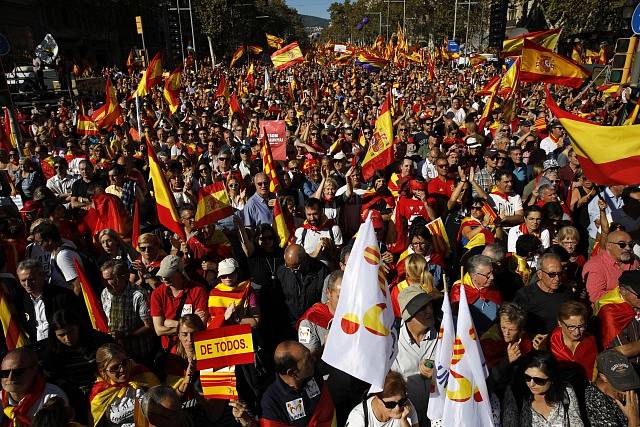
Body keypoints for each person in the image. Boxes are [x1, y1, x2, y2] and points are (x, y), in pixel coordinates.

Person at [39, 310, 113, 424]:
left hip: (103, 394)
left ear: (78, 326)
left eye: (71, 331)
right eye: (61, 335)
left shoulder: (99, 341)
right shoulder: (50, 353)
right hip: (71, 399)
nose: (67, 338)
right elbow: (52, 379)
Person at [391, 287, 438, 426]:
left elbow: (458, 370)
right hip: (406, 419)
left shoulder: (444, 333)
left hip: (437, 417)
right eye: (422, 308)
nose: (429, 311)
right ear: (408, 315)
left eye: (430, 305)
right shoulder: (392, 340)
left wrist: (438, 372)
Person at [501, 350, 583, 427]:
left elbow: (576, 423)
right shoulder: (515, 394)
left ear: (552, 379)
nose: (531, 384)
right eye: (527, 377)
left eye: (539, 380)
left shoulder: (565, 391)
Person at [13, 259, 83, 345]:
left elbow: (77, 324)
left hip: (61, 347)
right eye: (23, 280)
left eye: (31, 279)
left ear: (42, 275)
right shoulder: (20, 300)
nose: (27, 284)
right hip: (36, 348)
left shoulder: (63, 296)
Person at [89, 343, 160, 427]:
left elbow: (162, 405)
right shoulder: (100, 393)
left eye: (124, 362)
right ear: (103, 372)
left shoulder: (142, 375)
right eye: (115, 368)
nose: (122, 369)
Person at [99, 260, 155, 365]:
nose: (105, 283)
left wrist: (124, 335)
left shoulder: (138, 295)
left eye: (109, 279)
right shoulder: (105, 293)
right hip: (116, 354)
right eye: (103, 279)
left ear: (124, 277)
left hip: (139, 354)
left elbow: (149, 326)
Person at [260, 341, 327, 426]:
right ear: (292, 373)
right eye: (308, 359)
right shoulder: (271, 402)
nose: (313, 359)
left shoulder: (313, 374)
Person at [150, 255, 208, 350]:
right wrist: (187, 326)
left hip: (193, 345)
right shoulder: (157, 294)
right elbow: (159, 330)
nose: (164, 278)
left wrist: (169, 323)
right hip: (170, 348)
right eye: (162, 275)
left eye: (169, 274)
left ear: (180, 272)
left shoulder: (198, 290)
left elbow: (200, 325)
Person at [0, 347, 69, 426]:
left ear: (34, 370)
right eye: (5, 373)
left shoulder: (52, 397)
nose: (10, 378)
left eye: (18, 372)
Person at [480, 303, 534, 397]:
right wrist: (507, 361)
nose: (506, 333)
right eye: (503, 327)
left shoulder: (524, 339)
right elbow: (489, 379)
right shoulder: (488, 342)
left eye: (512, 329)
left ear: (520, 329)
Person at [515, 253, 574, 337]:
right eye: (552, 274)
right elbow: (516, 325)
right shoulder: (525, 295)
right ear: (539, 274)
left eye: (560, 274)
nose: (557, 278)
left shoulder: (566, 292)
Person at [275, 244, 329, 328]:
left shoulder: (321, 271)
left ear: (304, 260)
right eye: (288, 266)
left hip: (313, 323)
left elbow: (325, 301)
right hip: (290, 324)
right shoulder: (282, 271)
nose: (292, 270)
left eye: (295, 268)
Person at [595, 270, 640, 369]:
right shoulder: (610, 311)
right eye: (639, 295)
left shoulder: (634, 303)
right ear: (623, 290)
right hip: (624, 369)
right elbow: (622, 350)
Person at [585, 350, 640, 427]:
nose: (629, 386)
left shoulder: (626, 395)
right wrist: (634, 422)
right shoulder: (593, 401)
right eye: (621, 381)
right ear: (603, 377)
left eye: (628, 378)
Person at [345, 370, 419, 427]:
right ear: (378, 398)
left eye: (401, 401)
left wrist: (404, 421)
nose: (398, 408)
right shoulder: (359, 417)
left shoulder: (406, 407)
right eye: (391, 404)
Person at [583, 229, 639, 303]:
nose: (628, 248)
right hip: (609, 310)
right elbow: (595, 296)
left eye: (630, 244)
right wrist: (626, 296)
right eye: (622, 244)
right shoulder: (595, 266)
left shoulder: (633, 261)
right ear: (609, 246)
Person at [451, 255, 502, 335]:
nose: (492, 277)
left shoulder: (493, 289)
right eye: (487, 274)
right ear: (474, 276)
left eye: (492, 272)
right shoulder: (460, 290)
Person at [297, 270, 342, 357]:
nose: (346, 302)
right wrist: (324, 348)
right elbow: (308, 359)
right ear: (328, 293)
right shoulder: (307, 323)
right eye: (340, 297)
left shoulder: (357, 315)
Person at [207, 258, 260, 329]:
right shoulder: (214, 293)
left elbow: (255, 321)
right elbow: (212, 322)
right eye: (224, 275)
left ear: (237, 272)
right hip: (221, 334)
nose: (228, 278)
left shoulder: (247, 290)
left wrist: (235, 319)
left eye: (231, 274)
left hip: (242, 334)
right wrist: (224, 316)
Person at [294, 197, 343, 264]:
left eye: (315, 214)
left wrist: (331, 248)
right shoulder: (300, 232)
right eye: (309, 214)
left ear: (321, 211)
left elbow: (340, 257)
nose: (312, 218)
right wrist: (315, 252)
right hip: (308, 273)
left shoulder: (334, 229)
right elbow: (296, 258)